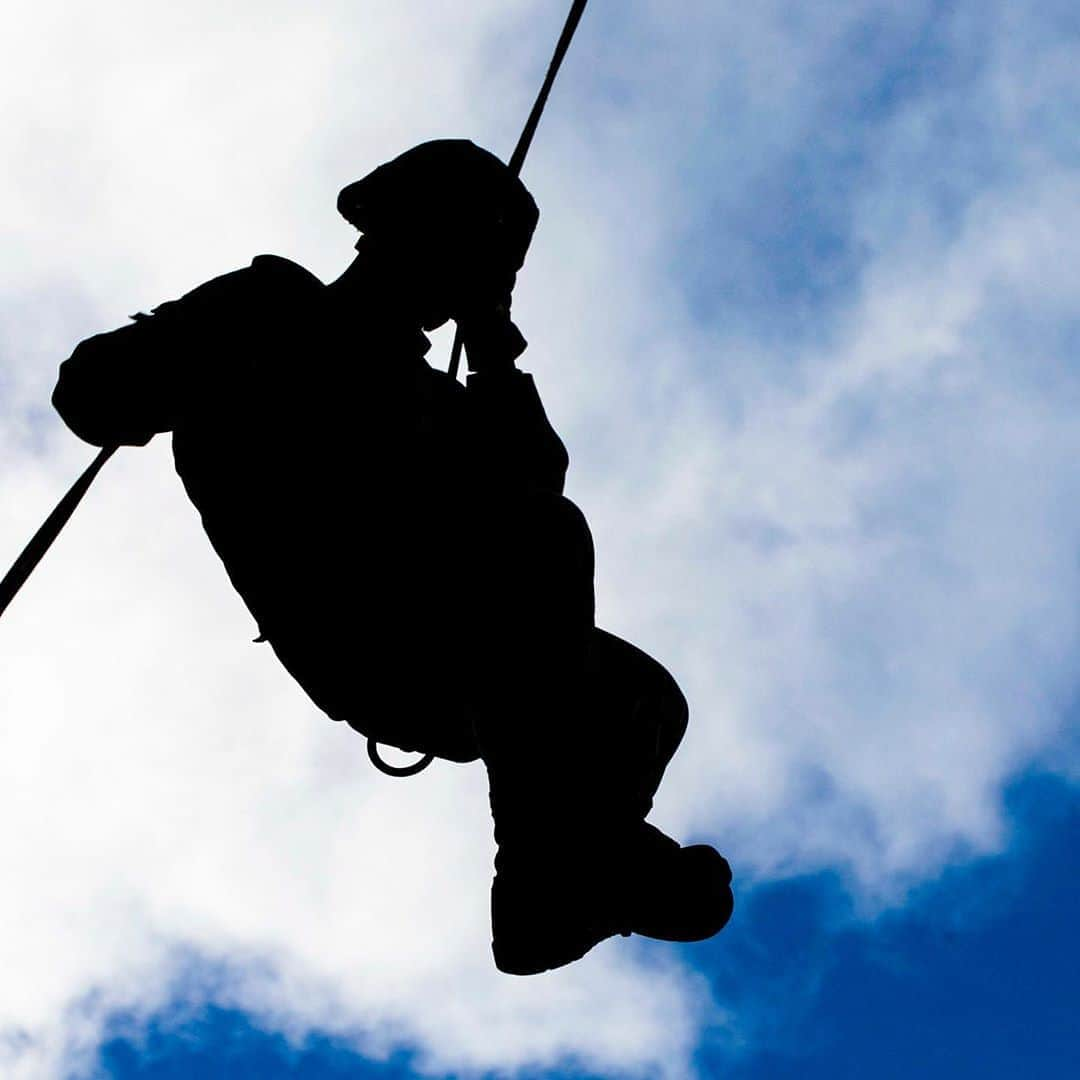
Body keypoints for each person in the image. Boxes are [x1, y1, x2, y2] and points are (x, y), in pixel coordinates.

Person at [51, 139, 734, 974]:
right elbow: (92, 390)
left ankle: (568, 862)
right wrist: (155, 367)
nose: (454, 286)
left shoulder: (437, 395)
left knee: (641, 695)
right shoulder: (272, 308)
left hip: (456, 654)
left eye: (476, 273)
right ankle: (554, 870)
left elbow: (537, 475)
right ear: (393, 231)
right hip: (356, 622)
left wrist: (494, 348)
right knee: (547, 543)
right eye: (458, 258)